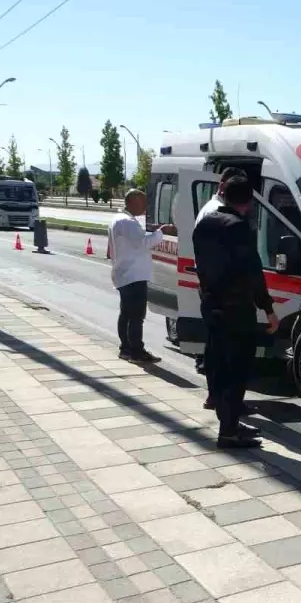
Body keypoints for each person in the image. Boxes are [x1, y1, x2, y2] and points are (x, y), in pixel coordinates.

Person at [192, 175, 278, 448]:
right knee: (237, 369)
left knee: (217, 364)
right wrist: (268, 309)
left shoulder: (204, 223)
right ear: (249, 201)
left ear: (223, 194)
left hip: (211, 303)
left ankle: (227, 421)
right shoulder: (240, 227)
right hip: (236, 309)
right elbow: (253, 273)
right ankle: (228, 431)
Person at [108, 189, 175, 363]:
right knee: (136, 316)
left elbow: (135, 240)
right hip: (133, 275)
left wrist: (150, 231)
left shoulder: (119, 219)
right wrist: (161, 231)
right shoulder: (127, 222)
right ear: (132, 202)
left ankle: (126, 349)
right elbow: (143, 243)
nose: (146, 207)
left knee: (126, 314)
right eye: (142, 203)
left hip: (124, 273)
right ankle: (136, 351)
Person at [194, 168, 247, 387]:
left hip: (210, 286)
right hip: (221, 289)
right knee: (223, 350)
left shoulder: (209, 208)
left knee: (216, 343)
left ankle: (216, 395)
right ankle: (221, 399)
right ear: (224, 185)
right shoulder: (219, 213)